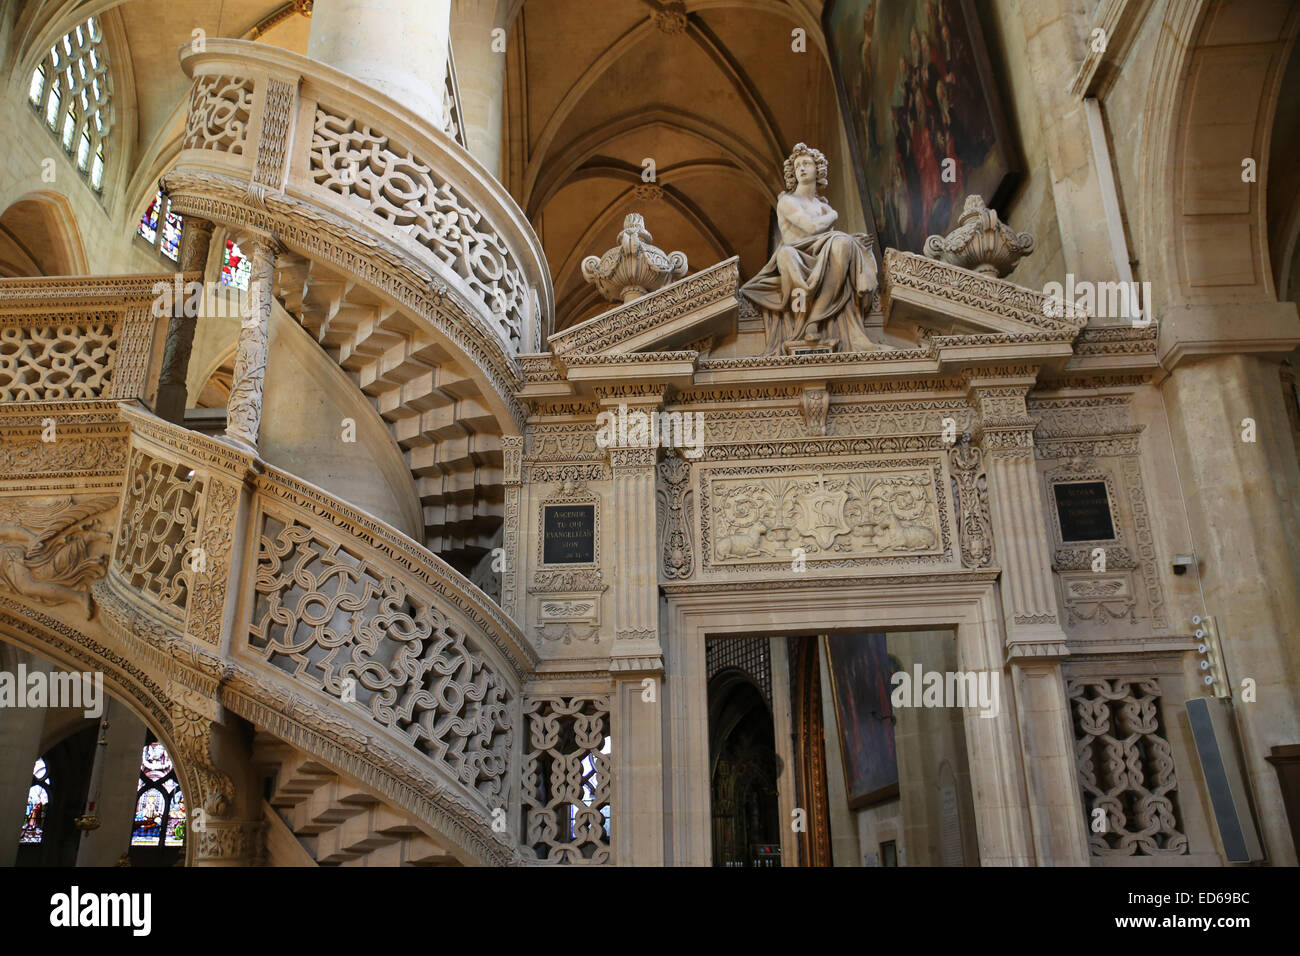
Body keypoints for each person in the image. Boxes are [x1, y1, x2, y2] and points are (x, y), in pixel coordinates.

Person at [739, 143, 882, 354]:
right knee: (787, 255)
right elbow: (811, 228)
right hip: (796, 253)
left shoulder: (822, 206)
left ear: (818, 169)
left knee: (844, 243)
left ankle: (814, 319)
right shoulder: (787, 201)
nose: (802, 169)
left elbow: (826, 239)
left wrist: (855, 242)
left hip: (820, 253)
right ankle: (806, 318)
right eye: (797, 166)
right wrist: (834, 215)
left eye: (806, 163)